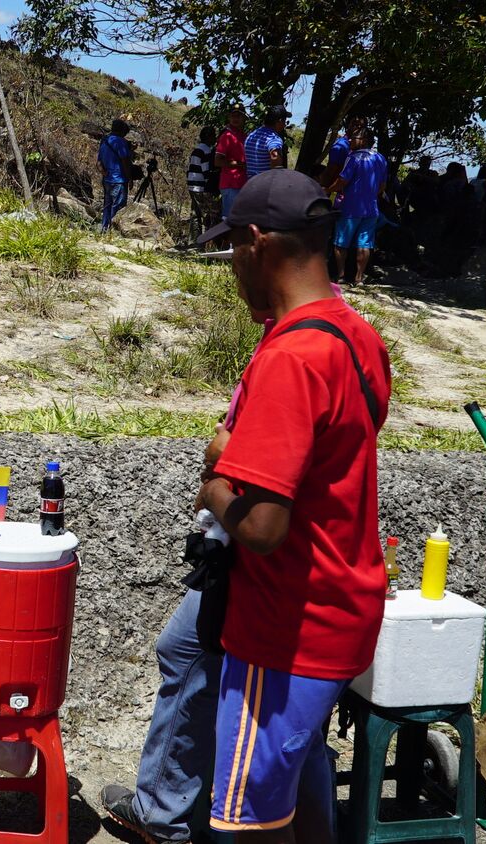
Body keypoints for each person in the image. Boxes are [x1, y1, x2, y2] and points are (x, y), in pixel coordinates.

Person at [101, 170, 390, 844]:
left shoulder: (292, 357)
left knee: (249, 822)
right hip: (340, 605)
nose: (232, 267)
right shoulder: (355, 335)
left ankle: (165, 815)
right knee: (294, 780)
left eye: (231, 248)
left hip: (285, 623)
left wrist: (216, 479)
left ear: (256, 242)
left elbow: (261, 526)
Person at [329, 127, 387, 285]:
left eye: (354, 137)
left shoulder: (353, 157)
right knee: (364, 244)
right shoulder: (380, 158)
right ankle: (359, 278)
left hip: (350, 208)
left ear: (363, 140)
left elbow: (343, 180)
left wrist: (328, 189)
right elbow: (382, 185)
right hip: (371, 209)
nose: (350, 140)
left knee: (341, 243)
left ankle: (340, 276)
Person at [98, 118, 135, 233]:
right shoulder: (120, 142)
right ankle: (113, 232)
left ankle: (104, 229)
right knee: (118, 207)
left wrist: (104, 173)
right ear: (122, 131)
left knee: (107, 206)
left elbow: (98, 162)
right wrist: (130, 178)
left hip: (107, 179)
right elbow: (125, 161)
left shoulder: (105, 140)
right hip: (118, 179)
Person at [214, 107, 249, 226]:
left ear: (244, 118)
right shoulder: (226, 136)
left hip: (242, 183)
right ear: (229, 117)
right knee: (229, 219)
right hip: (230, 184)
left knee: (240, 219)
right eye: (233, 115)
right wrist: (238, 164)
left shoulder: (243, 136)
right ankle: (226, 244)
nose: (235, 119)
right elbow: (217, 161)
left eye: (238, 116)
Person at [187, 125, 219, 244]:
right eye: (213, 136)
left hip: (192, 184)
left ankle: (194, 240)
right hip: (200, 185)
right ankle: (204, 241)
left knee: (195, 213)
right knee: (206, 214)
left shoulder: (197, 149)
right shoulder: (206, 151)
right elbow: (206, 170)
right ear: (209, 137)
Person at [244, 106, 290, 178]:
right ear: (280, 121)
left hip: (249, 183)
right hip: (264, 185)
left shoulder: (252, 135)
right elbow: (275, 158)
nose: (284, 125)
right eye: (284, 121)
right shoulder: (273, 138)